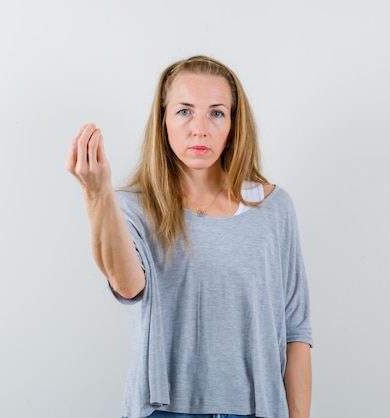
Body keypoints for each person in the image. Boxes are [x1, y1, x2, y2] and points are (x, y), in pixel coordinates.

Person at [65, 55, 313, 418]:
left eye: (216, 113)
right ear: (163, 120)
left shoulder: (273, 208)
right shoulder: (133, 206)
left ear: (233, 124)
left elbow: (296, 329)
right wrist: (97, 194)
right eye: (184, 111)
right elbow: (129, 286)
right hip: (164, 412)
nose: (200, 129)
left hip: (257, 410)